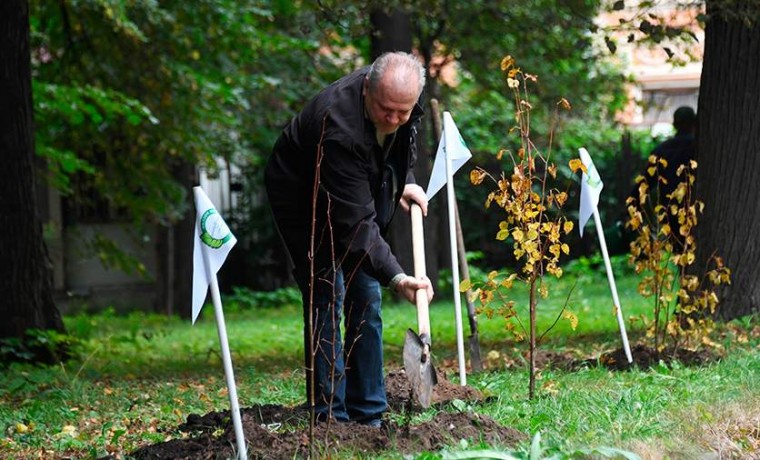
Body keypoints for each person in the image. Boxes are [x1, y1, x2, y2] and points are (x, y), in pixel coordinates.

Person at [264, 51, 434, 427]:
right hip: (301, 194)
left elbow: (401, 141)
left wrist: (404, 178)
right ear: (366, 93)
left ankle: (369, 413)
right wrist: (398, 277)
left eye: (402, 112)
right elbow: (356, 227)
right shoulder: (337, 126)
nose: (393, 119)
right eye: (385, 109)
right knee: (328, 289)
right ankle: (330, 419)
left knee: (366, 296)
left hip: (354, 185)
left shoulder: (400, 101)